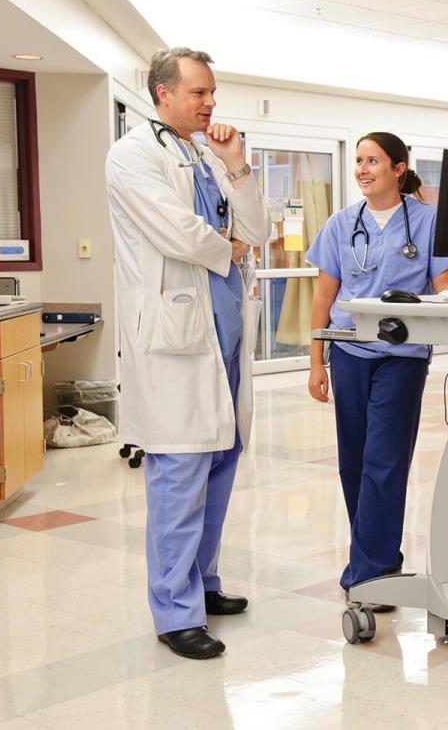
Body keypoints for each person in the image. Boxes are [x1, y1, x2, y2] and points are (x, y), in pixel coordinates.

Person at [105, 47, 269, 659]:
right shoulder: (132, 154)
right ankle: (175, 612)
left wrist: (239, 168)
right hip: (176, 339)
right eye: (198, 93)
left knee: (221, 461)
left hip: (221, 334)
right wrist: (231, 247)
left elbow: (257, 232)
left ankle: (203, 584)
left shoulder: (205, 153)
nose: (209, 104)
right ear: (163, 93)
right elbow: (177, 230)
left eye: (212, 93)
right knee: (178, 474)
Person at [306, 132, 448, 603]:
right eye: (358, 161)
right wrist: (316, 360)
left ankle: (368, 572)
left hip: (402, 356)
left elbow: (444, 280)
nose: (363, 169)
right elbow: (324, 295)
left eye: (373, 161)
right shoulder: (340, 224)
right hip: (350, 350)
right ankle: (381, 556)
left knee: (384, 461)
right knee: (354, 461)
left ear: (397, 168)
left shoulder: (429, 222)